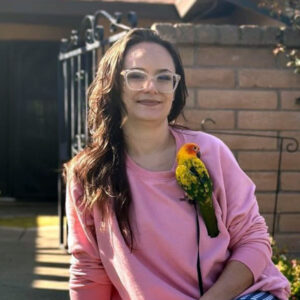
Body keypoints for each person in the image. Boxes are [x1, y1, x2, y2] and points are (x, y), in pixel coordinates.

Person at [64, 28, 290, 300]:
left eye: (163, 77)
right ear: (114, 85)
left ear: (175, 89)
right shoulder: (88, 174)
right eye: (136, 76)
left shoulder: (207, 152)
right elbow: (89, 269)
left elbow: (253, 240)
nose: (151, 87)